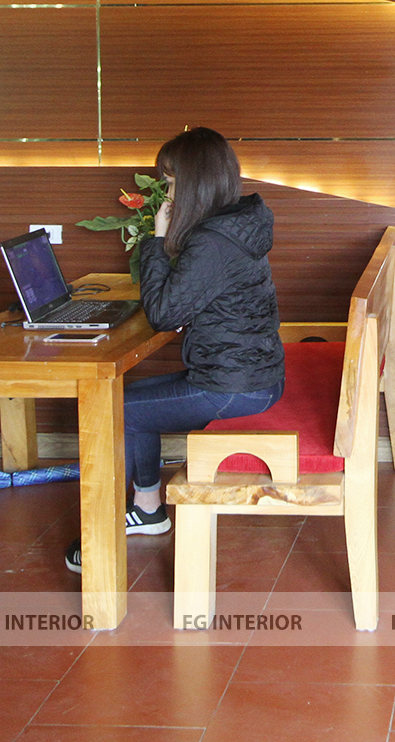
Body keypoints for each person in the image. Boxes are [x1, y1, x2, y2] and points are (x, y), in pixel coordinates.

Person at [65, 127, 284, 572]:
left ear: (193, 183)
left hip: (235, 386)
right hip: (254, 373)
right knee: (126, 400)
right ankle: (147, 507)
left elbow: (163, 314)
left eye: (170, 183)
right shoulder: (236, 226)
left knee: (119, 408)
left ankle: (131, 517)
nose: (167, 194)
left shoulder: (213, 242)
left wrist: (155, 239)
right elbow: (190, 300)